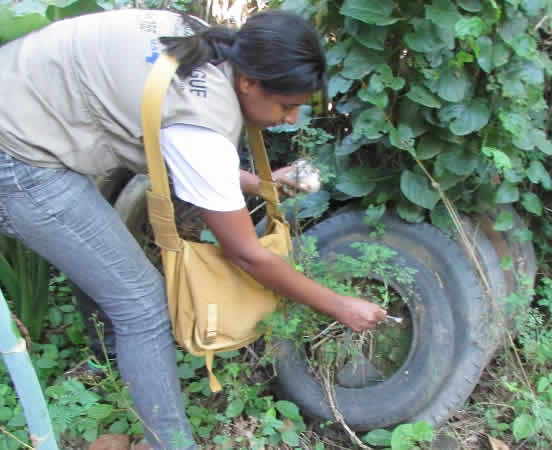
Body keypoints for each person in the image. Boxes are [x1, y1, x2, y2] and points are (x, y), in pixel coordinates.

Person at [0, 8, 387, 449]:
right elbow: (247, 254)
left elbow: (182, 150)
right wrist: (339, 305)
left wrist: (258, 183)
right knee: (142, 306)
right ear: (249, 83)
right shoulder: (201, 122)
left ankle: (110, 363)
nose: (292, 119)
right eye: (287, 106)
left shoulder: (214, 45)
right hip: (16, 152)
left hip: (20, 91)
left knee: (103, 255)